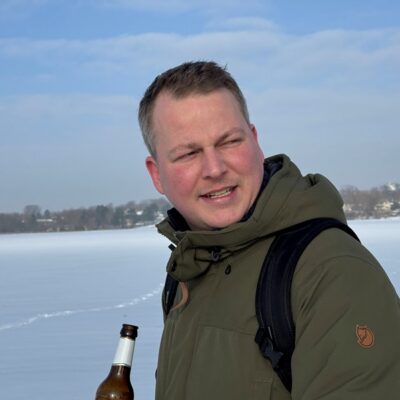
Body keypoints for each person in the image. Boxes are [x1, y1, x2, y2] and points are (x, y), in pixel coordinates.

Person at [138, 61, 400, 400]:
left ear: (255, 141)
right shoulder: (188, 268)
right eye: (189, 153)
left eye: (229, 141)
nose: (215, 169)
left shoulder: (329, 271)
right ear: (156, 174)